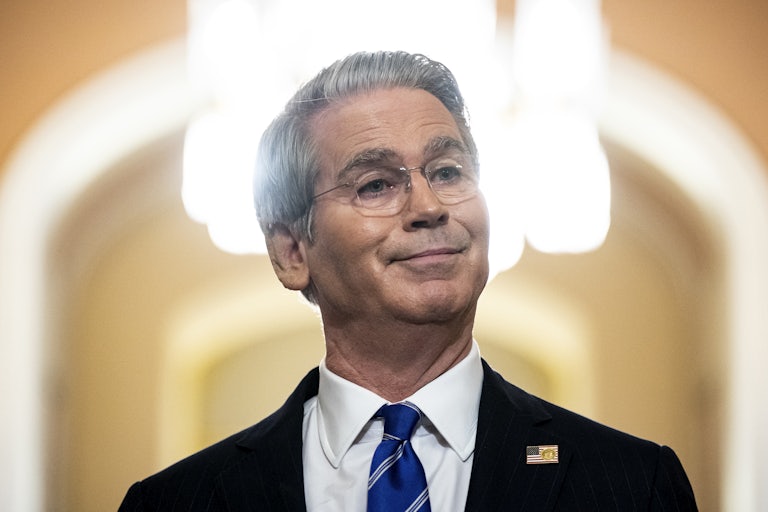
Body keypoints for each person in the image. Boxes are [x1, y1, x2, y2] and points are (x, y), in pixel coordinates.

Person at [118, 51, 697, 511]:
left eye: (448, 171)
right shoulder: (175, 502)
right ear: (292, 251)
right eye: (375, 184)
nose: (428, 206)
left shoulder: (633, 484)